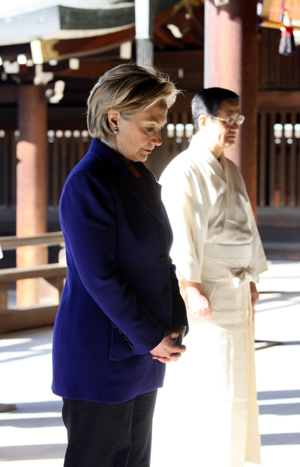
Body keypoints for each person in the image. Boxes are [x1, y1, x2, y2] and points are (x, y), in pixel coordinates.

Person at [51, 63, 188, 467]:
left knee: (133, 460)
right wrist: (152, 335)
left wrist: (174, 323)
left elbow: (163, 259)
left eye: (159, 126)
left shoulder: (139, 177)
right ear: (114, 119)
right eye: (149, 127)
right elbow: (100, 277)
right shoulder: (88, 181)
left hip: (143, 347)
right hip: (99, 353)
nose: (157, 139)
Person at [160, 87, 268, 467]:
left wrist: (252, 276)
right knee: (210, 377)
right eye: (229, 118)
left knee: (238, 378)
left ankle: (234, 455)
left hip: (236, 287)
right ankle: (206, 457)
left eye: (239, 118)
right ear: (204, 121)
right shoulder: (183, 171)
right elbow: (181, 232)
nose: (236, 126)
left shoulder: (230, 169)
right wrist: (190, 286)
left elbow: (245, 226)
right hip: (207, 290)